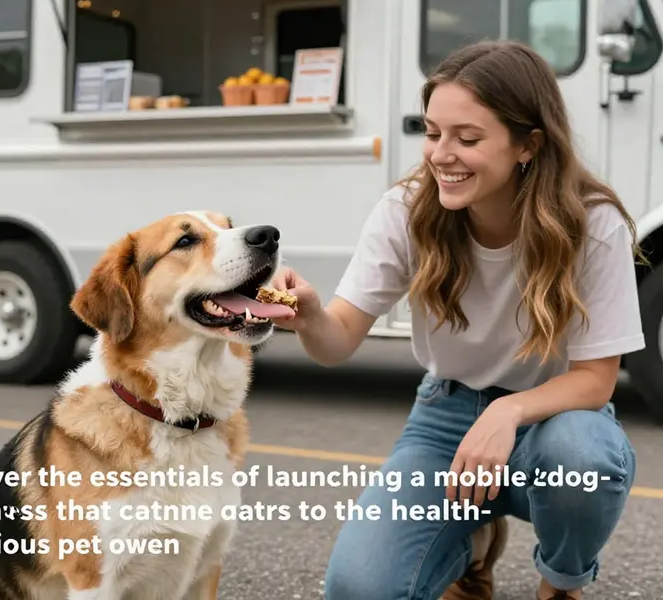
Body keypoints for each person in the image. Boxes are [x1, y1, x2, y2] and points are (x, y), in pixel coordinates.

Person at [272, 40, 645, 600]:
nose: (440, 154)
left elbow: (595, 380)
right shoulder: (406, 210)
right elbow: (338, 341)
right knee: (359, 590)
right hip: (445, 416)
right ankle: (471, 543)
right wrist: (311, 316)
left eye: (467, 139)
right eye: (432, 133)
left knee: (583, 457)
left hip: (553, 420)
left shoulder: (593, 224)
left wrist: (507, 410)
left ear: (528, 145)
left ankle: (561, 582)